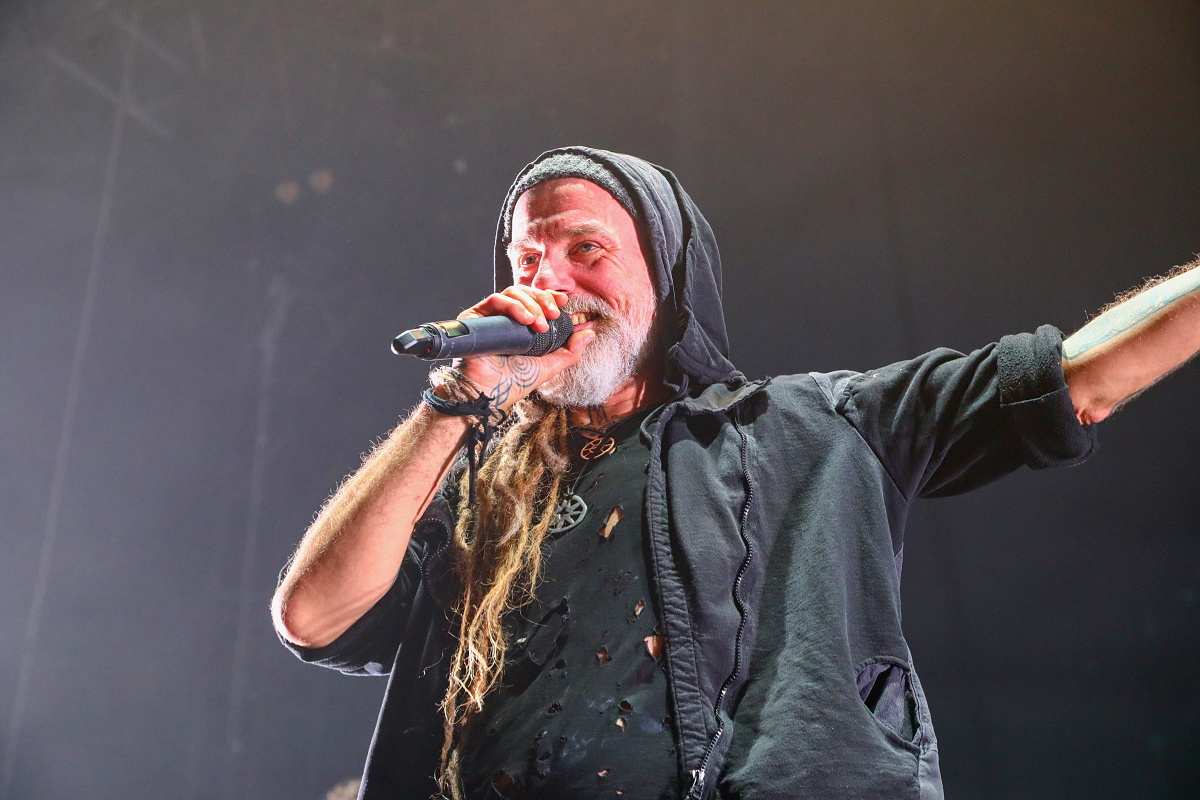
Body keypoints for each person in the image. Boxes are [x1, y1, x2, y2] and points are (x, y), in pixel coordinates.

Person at [271, 146, 1199, 800]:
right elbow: (314, 617)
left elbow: (1080, 377)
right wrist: (452, 404)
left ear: (666, 277)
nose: (549, 282)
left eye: (585, 250)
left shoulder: (813, 426)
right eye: (527, 259)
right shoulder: (481, 486)